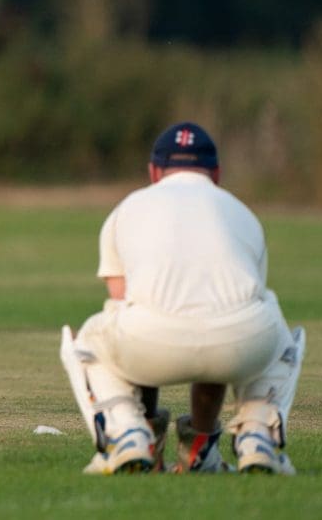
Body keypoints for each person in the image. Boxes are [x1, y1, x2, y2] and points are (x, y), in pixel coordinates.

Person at [62, 122, 303, 475]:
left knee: (89, 340)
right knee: (275, 329)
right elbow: (233, 305)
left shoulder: (129, 207)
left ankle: (129, 431)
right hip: (244, 341)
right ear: (216, 174)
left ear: (154, 172)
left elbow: (125, 301)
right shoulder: (243, 213)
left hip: (148, 340)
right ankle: (254, 436)